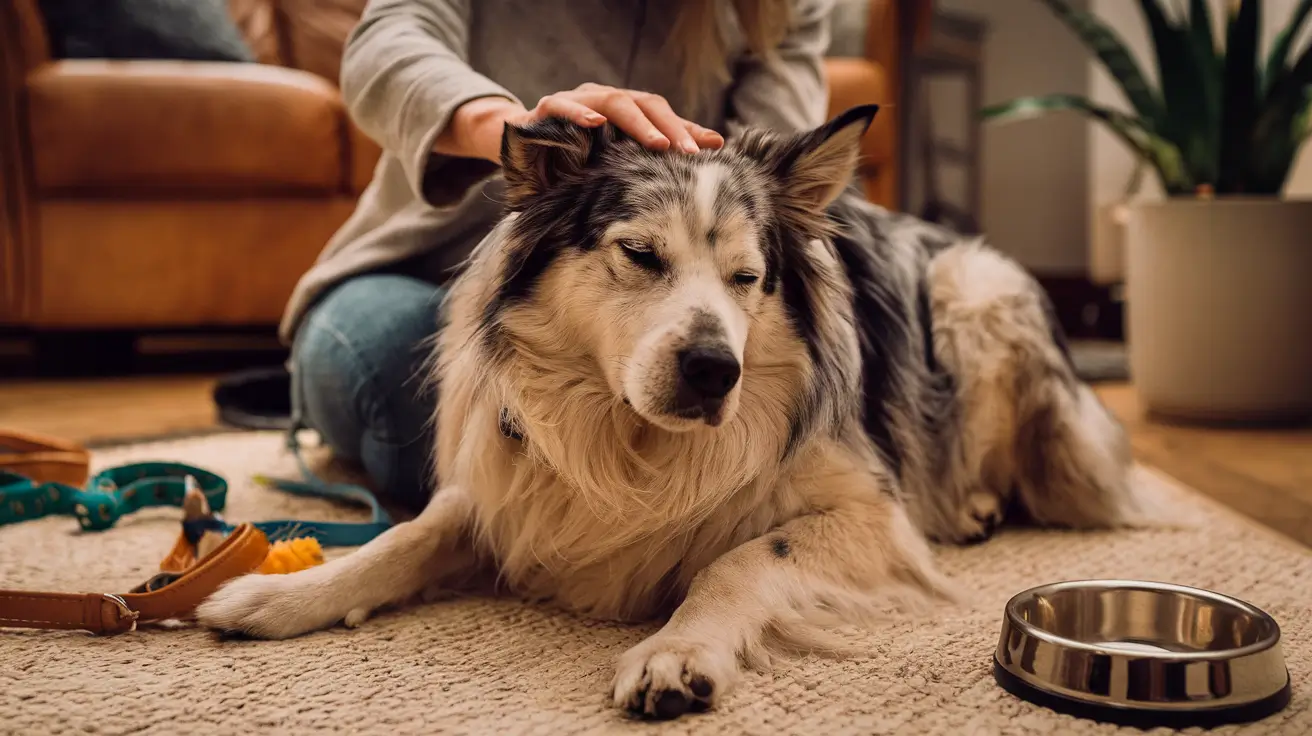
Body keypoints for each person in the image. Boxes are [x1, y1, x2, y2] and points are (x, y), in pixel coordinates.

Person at [282, 0, 836, 510]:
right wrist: (509, 125)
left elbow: (766, 192)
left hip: (660, 288)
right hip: (412, 270)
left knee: (735, 460)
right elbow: (388, 42)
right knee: (408, 405)